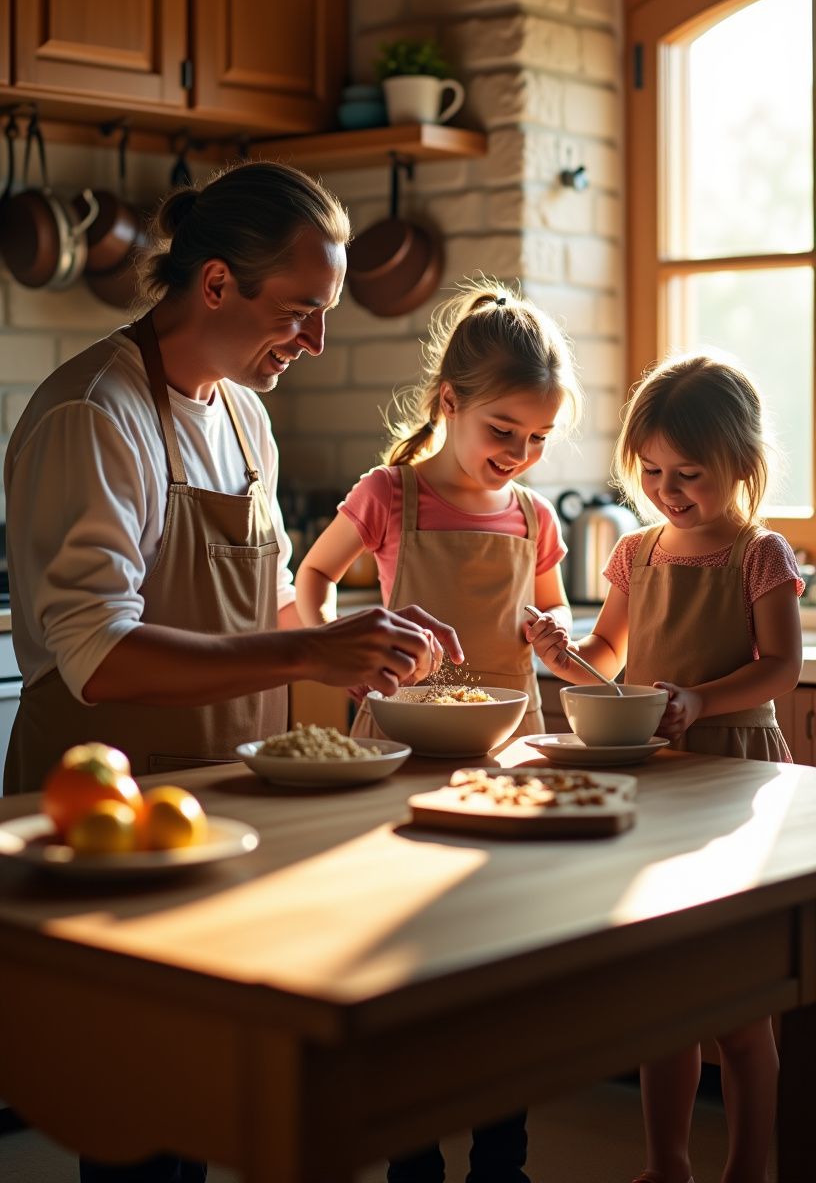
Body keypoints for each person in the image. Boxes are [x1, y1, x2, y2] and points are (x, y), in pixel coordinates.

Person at [3, 160, 461, 1183]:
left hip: (229, 802)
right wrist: (308, 647)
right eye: (302, 311)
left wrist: (358, 633)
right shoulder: (97, 415)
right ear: (215, 285)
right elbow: (100, 655)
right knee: (142, 1129)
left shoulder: (243, 413)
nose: (317, 342)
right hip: (113, 820)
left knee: (229, 1107)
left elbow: (253, 612)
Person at [296, 277, 583, 1183]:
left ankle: (503, 1158)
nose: (521, 455)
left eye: (538, 440)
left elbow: (555, 613)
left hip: (506, 759)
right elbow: (311, 579)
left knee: (502, 977)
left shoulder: (533, 518)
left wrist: (554, 633)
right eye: (504, 432)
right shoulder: (390, 495)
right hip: (393, 759)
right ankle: (410, 1156)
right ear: (448, 403)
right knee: (397, 970)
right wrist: (325, 649)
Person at [529, 352, 803, 1183]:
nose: (667, 488)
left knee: (741, 1010)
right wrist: (563, 653)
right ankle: (666, 1165)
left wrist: (699, 701)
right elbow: (610, 661)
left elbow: (779, 668)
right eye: (651, 470)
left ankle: (750, 1168)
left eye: (690, 474)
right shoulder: (636, 552)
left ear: (742, 468)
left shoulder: (759, 554)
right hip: (655, 775)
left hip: (735, 773)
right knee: (667, 998)